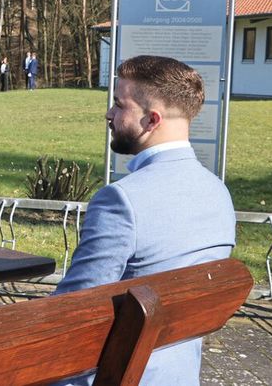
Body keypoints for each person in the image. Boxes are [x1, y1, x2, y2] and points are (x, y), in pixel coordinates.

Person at [53, 55, 235, 386]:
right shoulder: (219, 195)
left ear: (152, 120)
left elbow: (70, 315)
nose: (109, 114)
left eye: (119, 105)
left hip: (119, 375)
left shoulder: (122, 201)